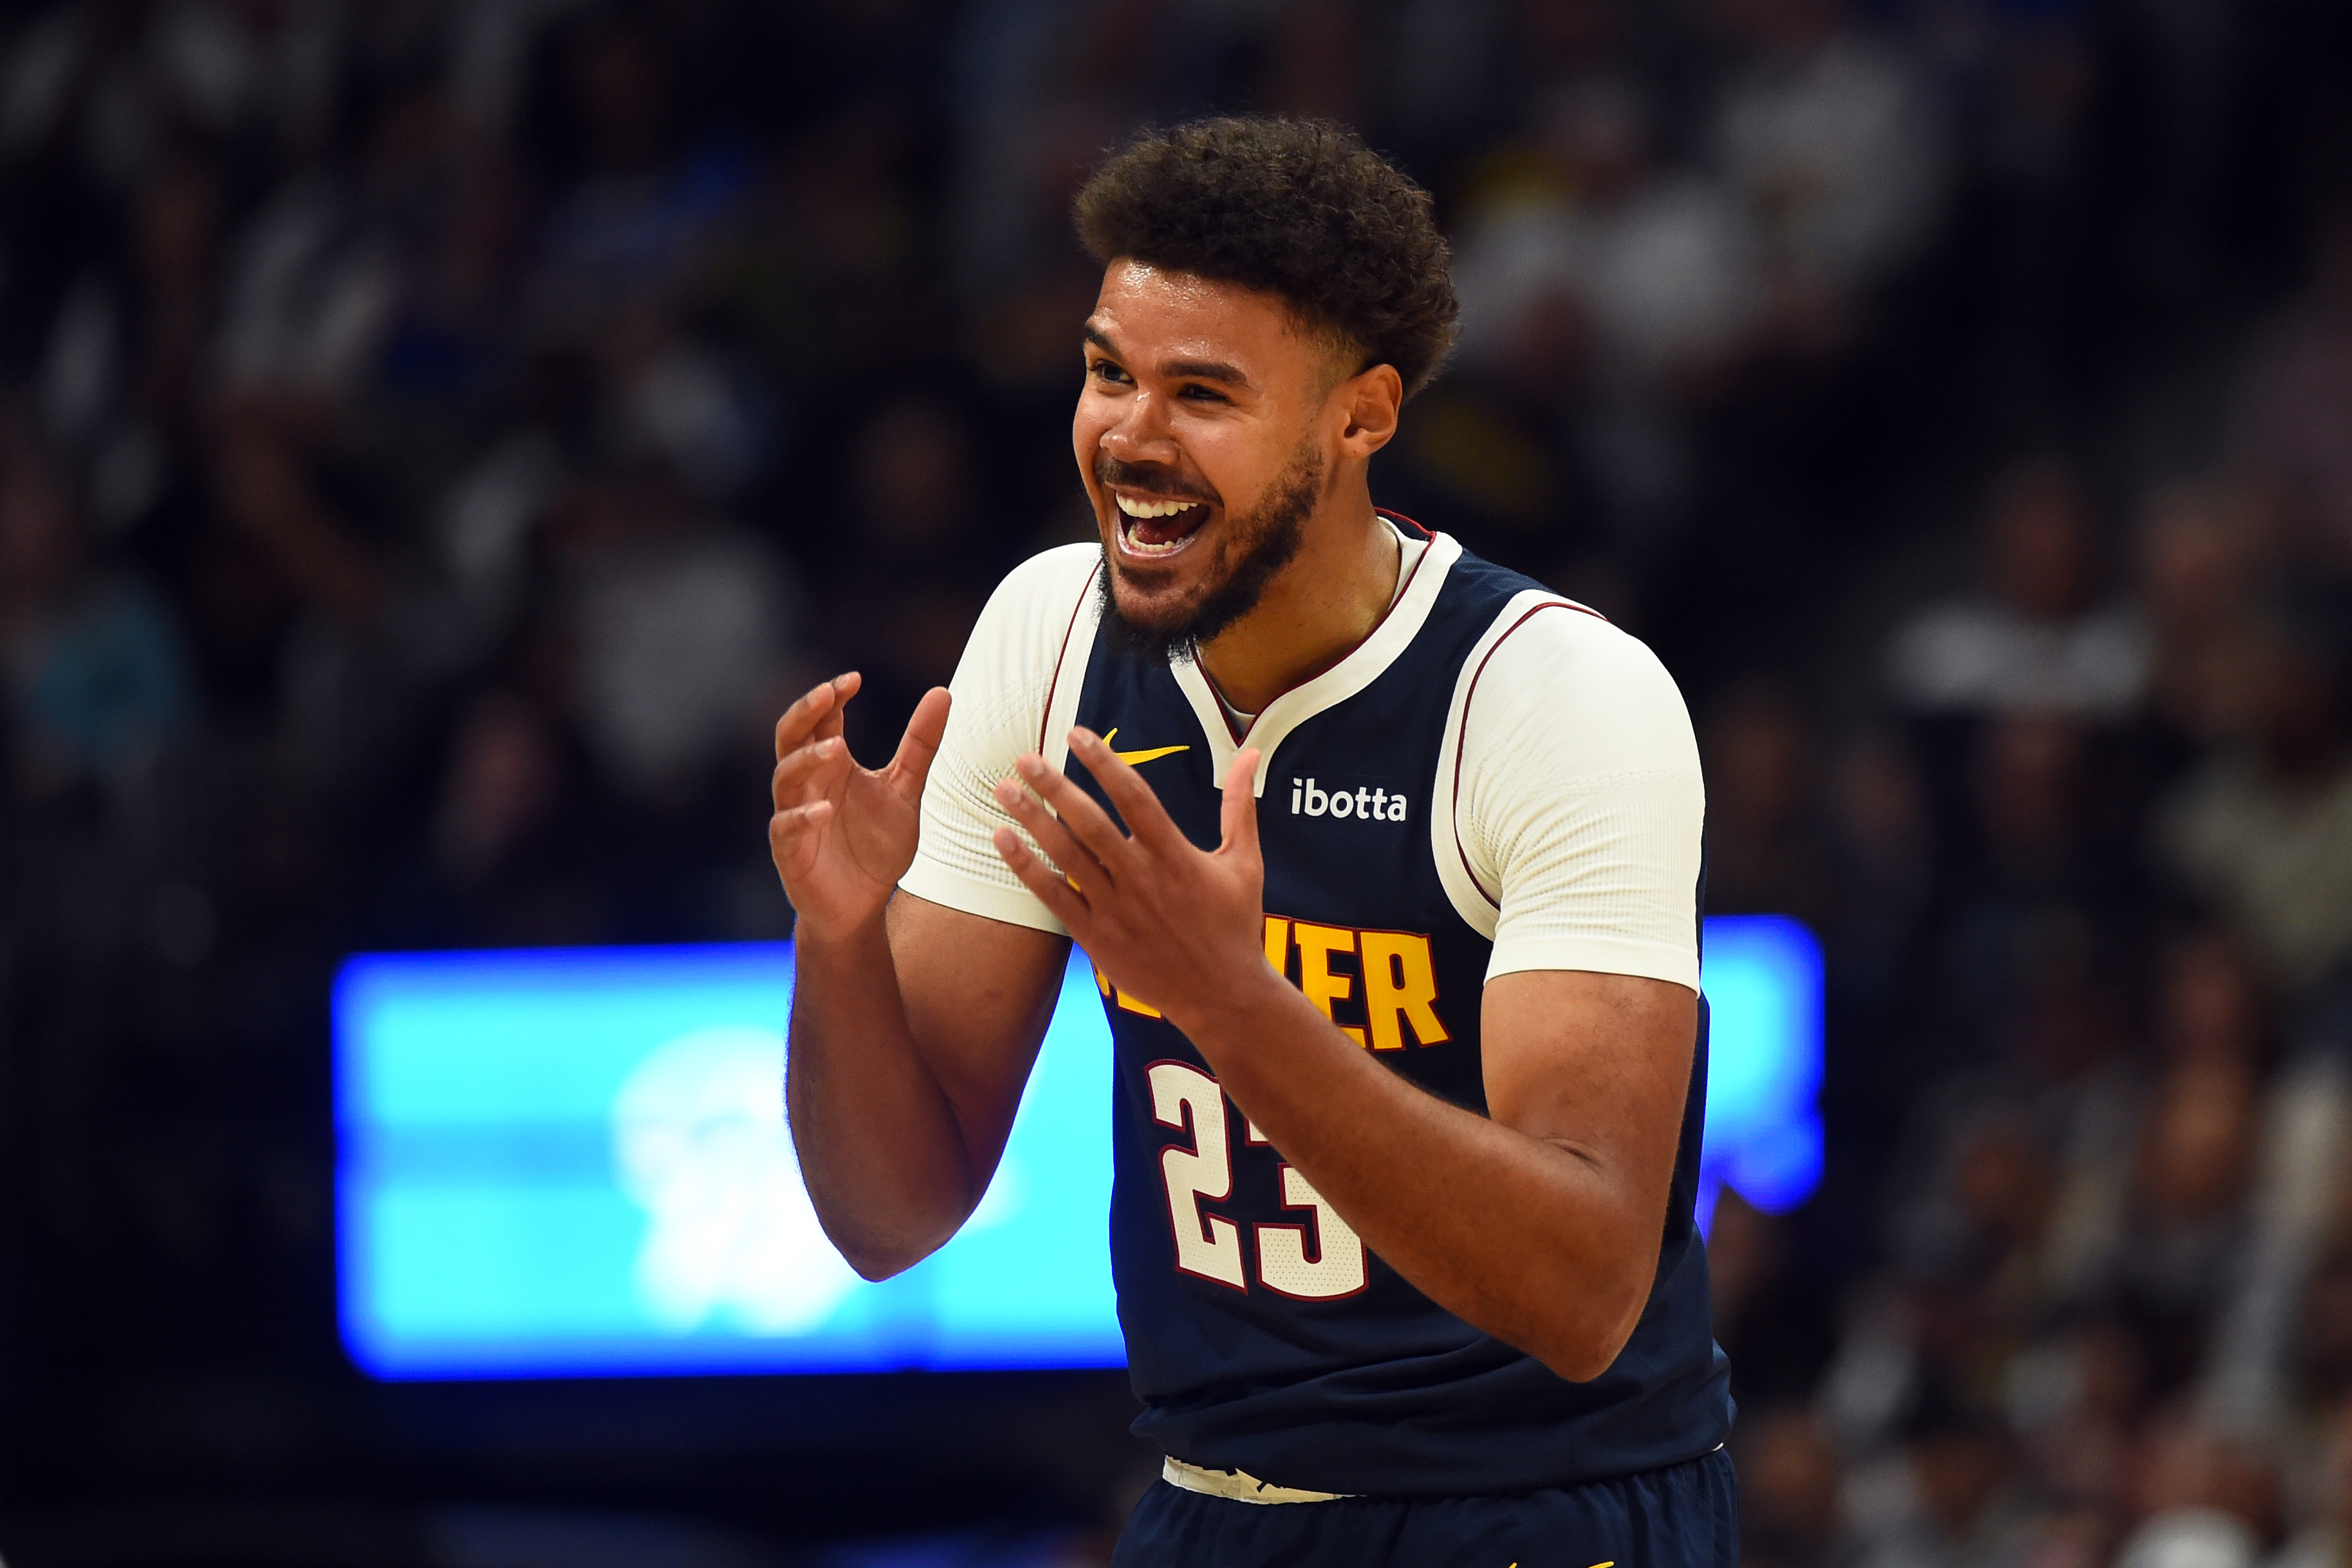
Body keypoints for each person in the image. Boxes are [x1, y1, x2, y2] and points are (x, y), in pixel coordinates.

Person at [770, 116, 1731, 1566]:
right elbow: (888, 1218)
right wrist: (836, 938)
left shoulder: (1554, 696)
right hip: (1212, 1499)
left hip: (1545, 1502)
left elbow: (1584, 1294)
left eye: (1202, 392)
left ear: (1362, 415)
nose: (1131, 438)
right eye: (1108, 372)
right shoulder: (1048, 631)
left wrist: (1229, 998)